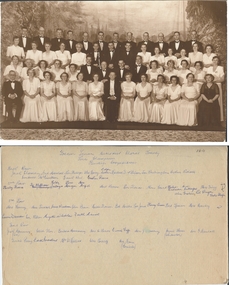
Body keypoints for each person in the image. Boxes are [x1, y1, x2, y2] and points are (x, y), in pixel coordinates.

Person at [207, 56, 225, 121]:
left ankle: (219, 118)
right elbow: (207, 78)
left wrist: (215, 80)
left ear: (218, 61)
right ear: (212, 61)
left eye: (216, 60)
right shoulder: (209, 68)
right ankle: (209, 118)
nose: (215, 61)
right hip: (210, 86)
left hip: (217, 86)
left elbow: (222, 79)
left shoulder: (220, 68)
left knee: (218, 101)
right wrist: (213, 80)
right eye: (214, 60)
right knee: (209, 100)